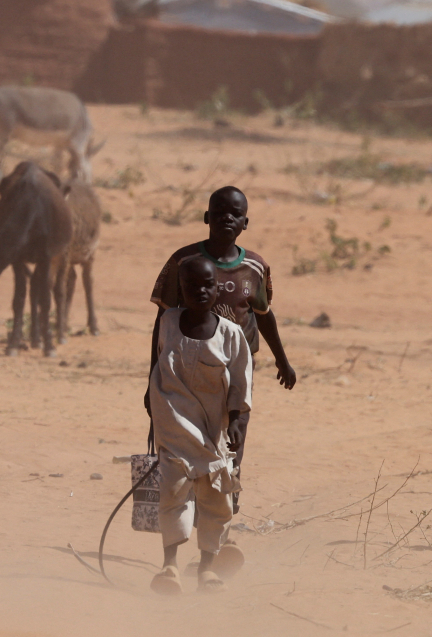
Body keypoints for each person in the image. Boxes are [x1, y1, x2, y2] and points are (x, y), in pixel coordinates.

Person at [146, 186, 296, 504]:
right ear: (206, 218)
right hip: (185, 366)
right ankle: (189, 509)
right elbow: (162, 323)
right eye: (219, 213)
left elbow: (264, 316)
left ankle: (225, 513)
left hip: (235, 368)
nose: (227, 218)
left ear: (245, 222)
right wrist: (152, 379)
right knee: (186, 433)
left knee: (233, 433)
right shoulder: (183, 261)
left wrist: (282, 361)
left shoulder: (255, 267)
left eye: (235, 214)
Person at [147, 256, 252, 594]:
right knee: (172, 494)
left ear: (217, 288)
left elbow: (240, 382)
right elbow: (158, 368)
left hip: (212, 433)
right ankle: (169, 567)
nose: (201, 291)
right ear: (181, 290)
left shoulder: (232, 335)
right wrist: (151, 408)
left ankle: (207, 568)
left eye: (208, 285)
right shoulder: (167, 322)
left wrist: (237, 419)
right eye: (192, 286)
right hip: (174, 426)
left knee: (214, 499)